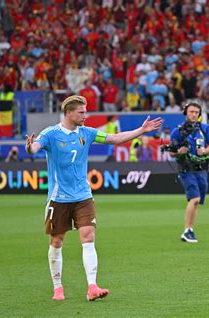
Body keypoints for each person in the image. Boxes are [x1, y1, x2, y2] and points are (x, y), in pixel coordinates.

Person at [25, 95, 162, 301]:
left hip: (83, 196)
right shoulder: (51, 134)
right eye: (81, 112)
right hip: (58, 198)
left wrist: (141, 131)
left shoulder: (87, 133)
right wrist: (29, 147)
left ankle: (92, 287)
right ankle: (58, 288)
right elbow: (35, 147)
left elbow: (114, 138)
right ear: (69, 113)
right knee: (56, 241)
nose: (85, 116)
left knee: (88, 238)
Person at [165, 99, 209, 243]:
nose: (194, 114)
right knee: (194, 198)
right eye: (191, 112)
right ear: (186, 113)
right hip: (186, 168)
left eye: (196, 112)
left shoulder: (205, 128)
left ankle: (190, 229)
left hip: (201, 169)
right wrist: (179, 151)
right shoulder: (178, 131)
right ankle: (187, 231)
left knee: (197, 200)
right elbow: (172, 153)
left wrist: (204, 151)